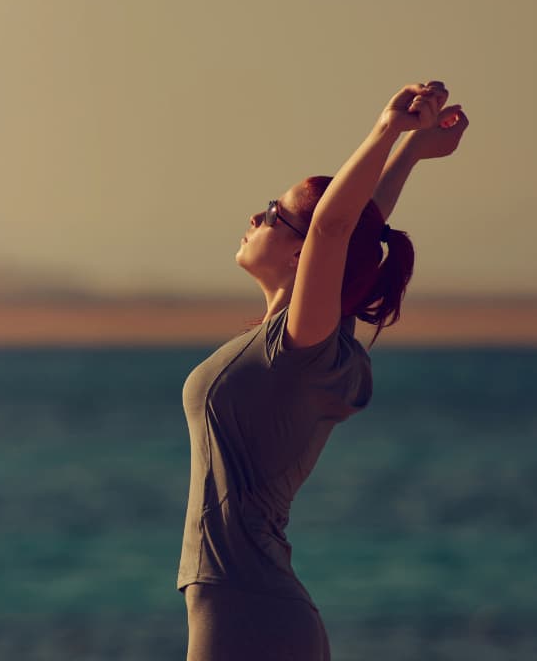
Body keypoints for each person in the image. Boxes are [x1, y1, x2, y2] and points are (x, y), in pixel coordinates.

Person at [177, 81, 470, 661]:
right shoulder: (311, 333)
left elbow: (338, 229)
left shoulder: (300, 345)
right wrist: (412, 152)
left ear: (299, 253)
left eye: (271, 215)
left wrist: (389, 130)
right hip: (252, 609)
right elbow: (358, 228)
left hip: (245, 612)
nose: (254, 218)